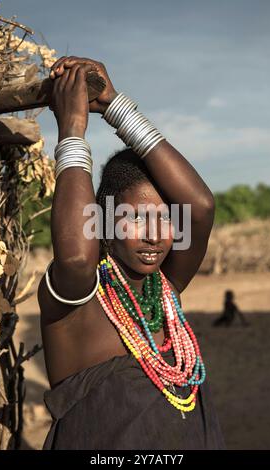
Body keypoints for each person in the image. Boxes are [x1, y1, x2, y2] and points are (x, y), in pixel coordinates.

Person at [37, 56, 225, 450]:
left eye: (165, 219)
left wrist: (113, 105)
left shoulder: (166, 288)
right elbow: (74, 257)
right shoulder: (77, 303)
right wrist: (72, 129)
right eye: (135, 218)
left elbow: (201, 206)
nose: (156, 236)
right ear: (101, 221)